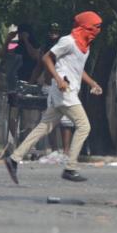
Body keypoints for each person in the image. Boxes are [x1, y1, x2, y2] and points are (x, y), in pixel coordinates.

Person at [4, 11, 103, 183]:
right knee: (84, 126)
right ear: (85, 26)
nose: (97, 30)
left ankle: (13, 159)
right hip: (64, 91)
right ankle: (70, 167)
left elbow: (79, 70)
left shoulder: (84, 46)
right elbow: (46, 58)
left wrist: (93, 83)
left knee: (44, 127)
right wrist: (58, 80)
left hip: (69, 89)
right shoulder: (68, 41)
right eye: (95, 26)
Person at [32, 22, 73, 158]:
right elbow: (39, 66)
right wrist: (30, 83)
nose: (53, 33)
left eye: (56, 30)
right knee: (51, 120)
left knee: (66, 120)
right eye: (51, 30)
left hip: (63, 87)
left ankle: (66, 152)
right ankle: (54, 151)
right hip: (48, 87)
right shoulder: (45, 48)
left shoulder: (66, 46)